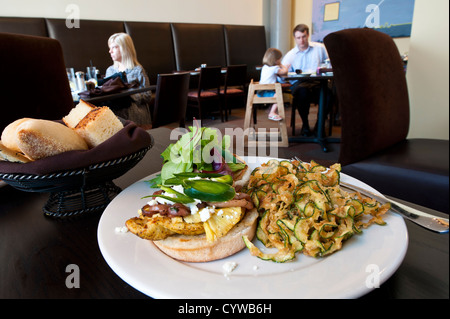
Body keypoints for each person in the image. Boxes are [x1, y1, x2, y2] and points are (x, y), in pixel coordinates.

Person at [282, 24, 329, 136]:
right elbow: (283, 73)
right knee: (302, 93)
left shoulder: (320, 48)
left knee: (328, 96)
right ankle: (305, 125)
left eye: (303, 36)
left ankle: (319, 125)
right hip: (300, 84)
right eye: (298, 38)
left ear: (307, 35)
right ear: (295, 38)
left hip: (318, 82)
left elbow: (329, 63)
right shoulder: (291, 54)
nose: (301, 40)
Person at [105, 33, 152, 126]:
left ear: (124, 48)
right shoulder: (110, 71)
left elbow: (148, 95)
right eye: (110, 48)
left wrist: (131, 95)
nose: (110, 51)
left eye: (114, 47)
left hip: (135, 112)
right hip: (115, 111)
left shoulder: (137, 70)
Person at [258, 48, 289, 121]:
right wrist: (282, 65)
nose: (280, 61)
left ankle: (270, 109)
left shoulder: (265, 67)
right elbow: (284, 72)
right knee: (279, 95)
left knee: (276, 94)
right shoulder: (275, 68)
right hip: (265, 92)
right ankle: (272, 112)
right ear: (276, 60)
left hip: (260, 91)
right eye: (279, 59)